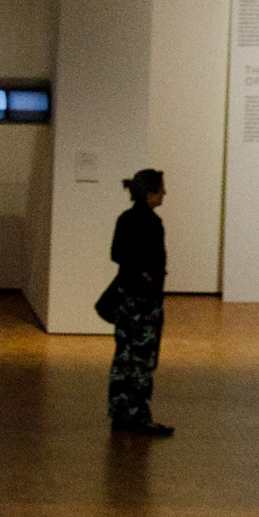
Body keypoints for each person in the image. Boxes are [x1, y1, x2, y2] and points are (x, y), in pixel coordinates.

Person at [101, 167, 172, 437]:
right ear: (151, 192)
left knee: (123, 357)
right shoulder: (152, 223)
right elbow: (154, 262)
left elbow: (116, 254)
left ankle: (120, 413)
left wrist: (135, 271)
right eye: (161, 188)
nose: (165, 193)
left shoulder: (125, 219)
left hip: (124, 299)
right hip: (144, 304)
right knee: (142, 361)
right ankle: (139, 417)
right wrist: (148, 278)